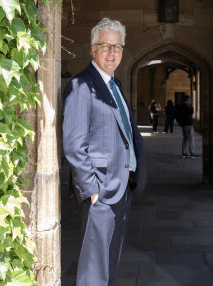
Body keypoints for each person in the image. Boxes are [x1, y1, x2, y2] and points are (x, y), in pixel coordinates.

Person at [62, 18, 147, 286]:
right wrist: (92, 190)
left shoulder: (115, 85)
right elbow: (74, 145)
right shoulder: (81, 86)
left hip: (121, 188)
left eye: (117, 47)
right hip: (100, 192)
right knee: (94, 271)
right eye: (106, 46)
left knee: (109, 264)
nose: (112, 53)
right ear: (93, 49)